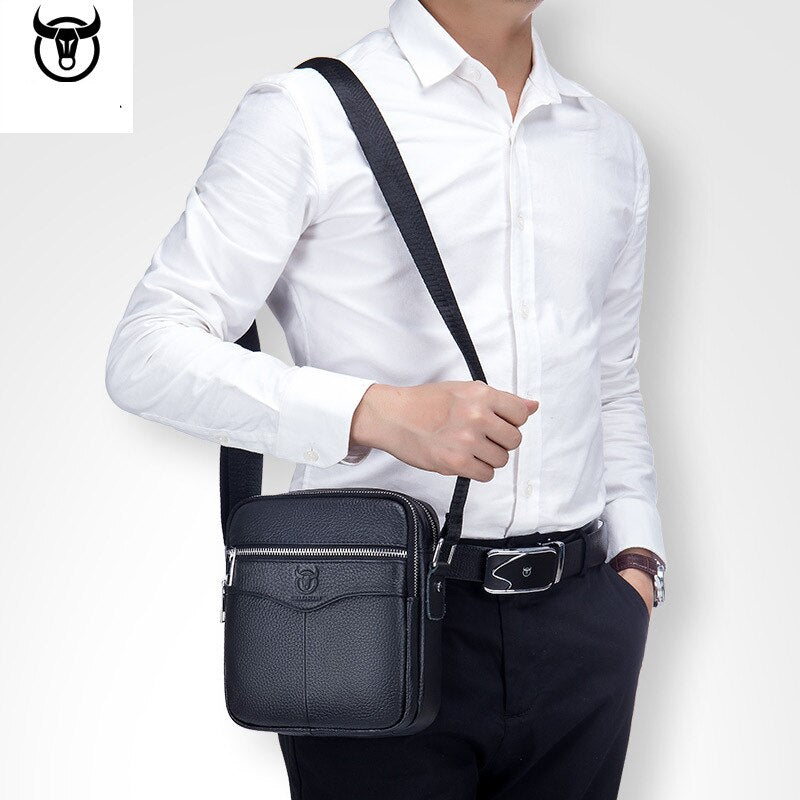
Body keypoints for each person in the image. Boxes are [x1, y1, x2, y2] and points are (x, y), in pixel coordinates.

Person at [106, 1, 667, 797]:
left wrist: (639, 564)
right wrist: (375, 413)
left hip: (584, 626)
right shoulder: (307, 115)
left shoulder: (607, 143)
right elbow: (145, 351)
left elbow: (609, 379)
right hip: (370, 616)